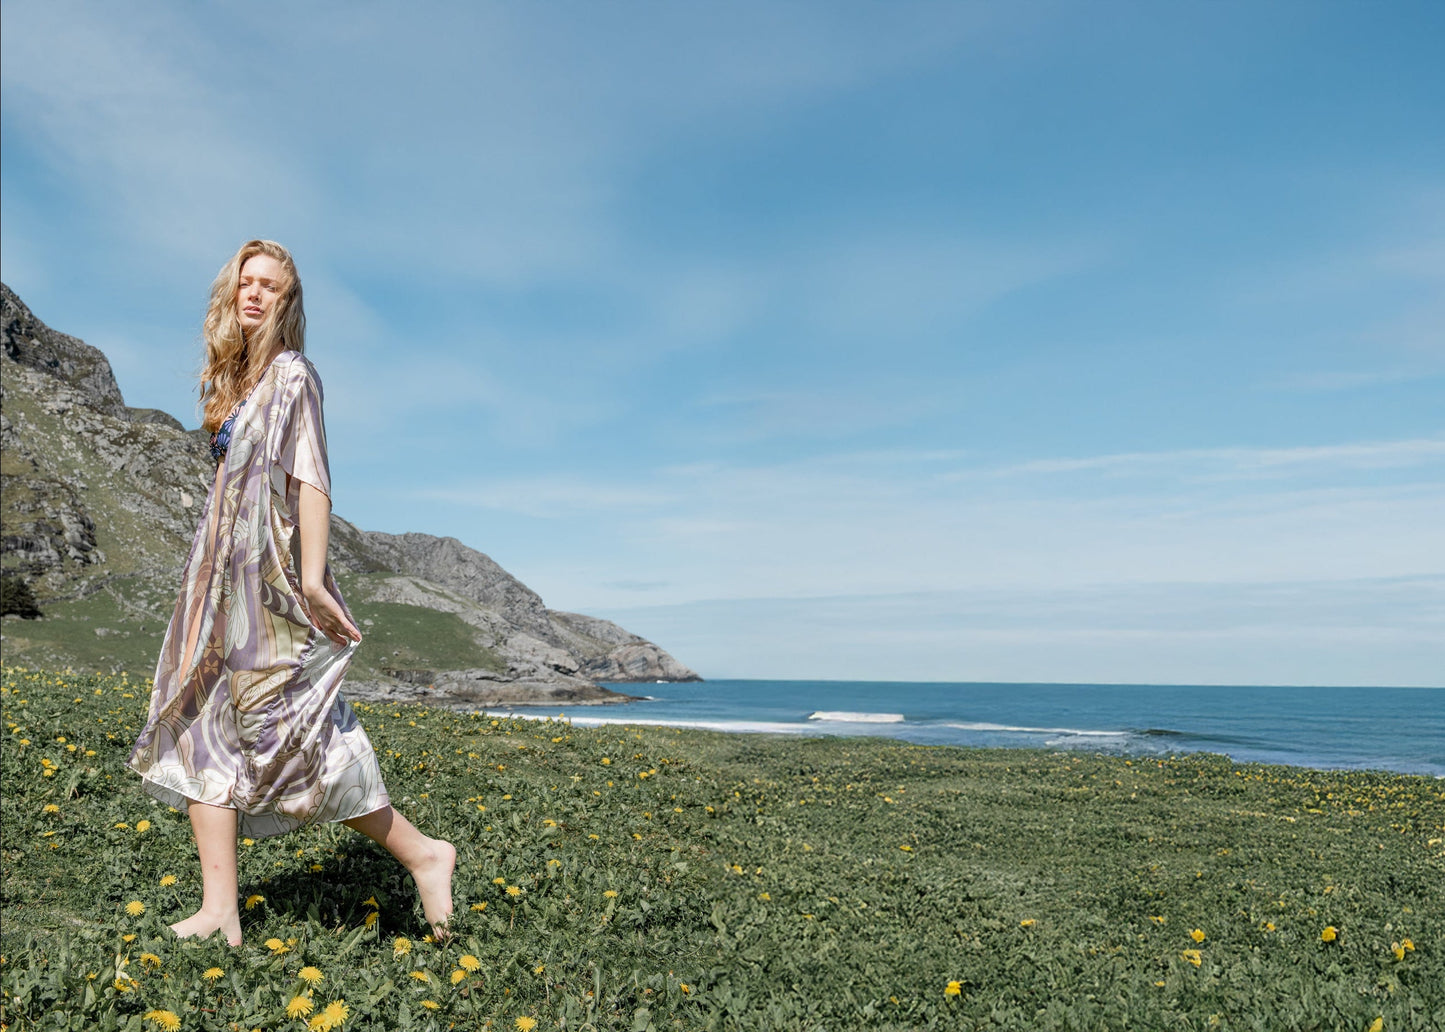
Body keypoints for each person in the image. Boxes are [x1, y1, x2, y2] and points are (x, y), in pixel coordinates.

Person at [128, 240, 454, 945]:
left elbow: (311, 478)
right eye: (244, 282)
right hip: (215, 577)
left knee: (287, 736)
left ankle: (424, 854)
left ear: (286, 300)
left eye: (268, 286)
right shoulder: (232, 383)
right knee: (197, 728)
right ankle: (220, 909)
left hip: (264, 579)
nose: (253, 294)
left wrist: (310, 577)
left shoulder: (292, 375)